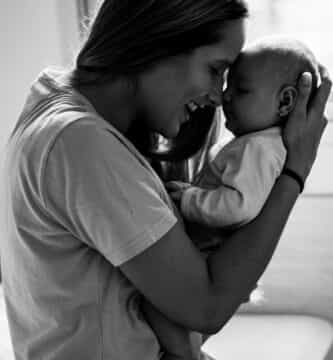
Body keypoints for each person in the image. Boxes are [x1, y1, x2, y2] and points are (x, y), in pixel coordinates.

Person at [1, 2, 330, 360]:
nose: (220, 97)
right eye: (214, 69)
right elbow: (206, 307)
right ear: (160, 43)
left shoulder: (57, 105)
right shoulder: (79, 143)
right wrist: (294, 171)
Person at [168, 37, 320, 234]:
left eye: (240, 90)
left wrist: (188, 198)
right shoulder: (260, 143)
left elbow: (237, 206)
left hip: (208, 251)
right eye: (227, 87)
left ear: (285, 101)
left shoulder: (259, 148)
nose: (225, 97)